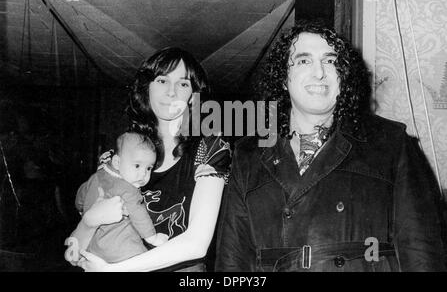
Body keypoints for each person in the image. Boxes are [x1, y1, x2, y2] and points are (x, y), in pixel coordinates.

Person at [215, 19, 446, 272]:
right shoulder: (249, 154)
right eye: (304, 61)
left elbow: (422, 251)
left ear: (343, 75)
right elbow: (232, 259)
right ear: (283, 78)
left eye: (330, 60)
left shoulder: (390, 142)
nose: (319, 72)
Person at [65, 47, 231, 271]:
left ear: (194, 96)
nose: (171, 92)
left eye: (183, 84)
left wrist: (114, 271)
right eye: (162, 81)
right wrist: (86, 225)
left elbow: (196, 244)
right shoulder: (123, 150)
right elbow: (90, 229)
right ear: (147, 89)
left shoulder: (210, 148)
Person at [74, 132, 167, 263]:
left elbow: (81, 195)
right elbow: (139, 215)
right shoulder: (128, 189)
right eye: (137, 165)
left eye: (149, 168)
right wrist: (152, 237)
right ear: (117, 162)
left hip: (94, 249)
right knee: (149, 262)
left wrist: (81, 208)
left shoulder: (97, 176)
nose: (143, 174)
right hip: (123, 251)